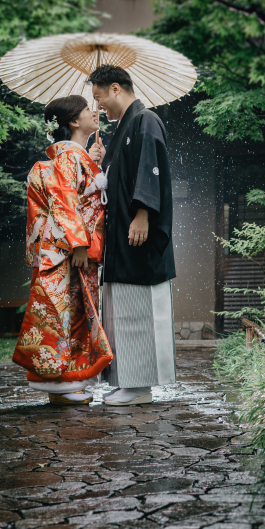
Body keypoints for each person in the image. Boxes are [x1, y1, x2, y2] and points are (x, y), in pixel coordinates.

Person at [12, 95, 113, 405]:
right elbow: (64, 201)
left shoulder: (71, 154)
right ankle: (65, 382)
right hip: (72, 250)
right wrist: (79, 243)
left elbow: (77, 194)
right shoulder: (69, 156)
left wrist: (94, 162)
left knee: (71, 315)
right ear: (73, 121)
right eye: (87, 110)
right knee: (69, 316)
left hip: (67, 248)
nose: (94, 113)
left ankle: (67, 382)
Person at [87, 64, 177, 406]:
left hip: (138, 233)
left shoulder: (146, 120)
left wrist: (142, 214)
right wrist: (102, 161)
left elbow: (150, 170)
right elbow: (118, 180)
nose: (99, 108)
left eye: (99, 99)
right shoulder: (124, 127)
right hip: (122, 238)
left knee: (138, 309)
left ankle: (139, 385)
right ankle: (128, 379)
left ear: (115, 88)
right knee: (122, 308)